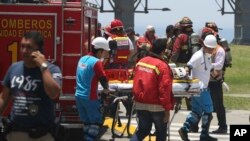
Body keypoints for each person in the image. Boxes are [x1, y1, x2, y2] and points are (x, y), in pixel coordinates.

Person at [0, 31, 62, 141]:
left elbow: (54, 94)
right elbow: (3, 98)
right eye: (22, 46)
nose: (24, 51)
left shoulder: (52, 70)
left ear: (39, 50)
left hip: (41, 135)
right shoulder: (13, 68)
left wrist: (43, 66)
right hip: (15, 133)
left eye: (29, 47)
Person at [130, 38, 174, 141]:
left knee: (142, 131)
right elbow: (164, 89)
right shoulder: (162, 66)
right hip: (157, 106)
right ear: (163, 51)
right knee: (161, 134)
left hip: (140, 103)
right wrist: (167, 109)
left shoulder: (141, 62)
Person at [178, 35, 218, 141]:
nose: (211, 50)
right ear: (204, 45)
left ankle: (184, 129)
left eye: (212, 49)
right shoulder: (198, 55)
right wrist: (185, 72)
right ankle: (204, 135)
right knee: (208, 110)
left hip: (197, 89)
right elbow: (188, 66)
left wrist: (220, 79)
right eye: (209, 48)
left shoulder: (207, 55)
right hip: (200, 88)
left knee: (196, 112)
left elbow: (209, 70)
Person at [75, 37, 110, 141]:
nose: (104, 54)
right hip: (90, 97)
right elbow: (103, 78)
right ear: (99, 51)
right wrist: (106, 89)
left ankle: (86, 138)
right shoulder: (96, 62)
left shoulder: (82, 59)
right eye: (103, 52)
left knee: (87, 123)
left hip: (78, 96)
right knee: (96, 123)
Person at [202, 22, 228, 134]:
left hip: (215, 80)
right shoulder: (204, 49)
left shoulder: (220, 50)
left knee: (218, 105)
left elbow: (218, 66)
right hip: (205, 80)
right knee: (202, 104)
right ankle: (196, 126)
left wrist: (207, 65)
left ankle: (223, 126)